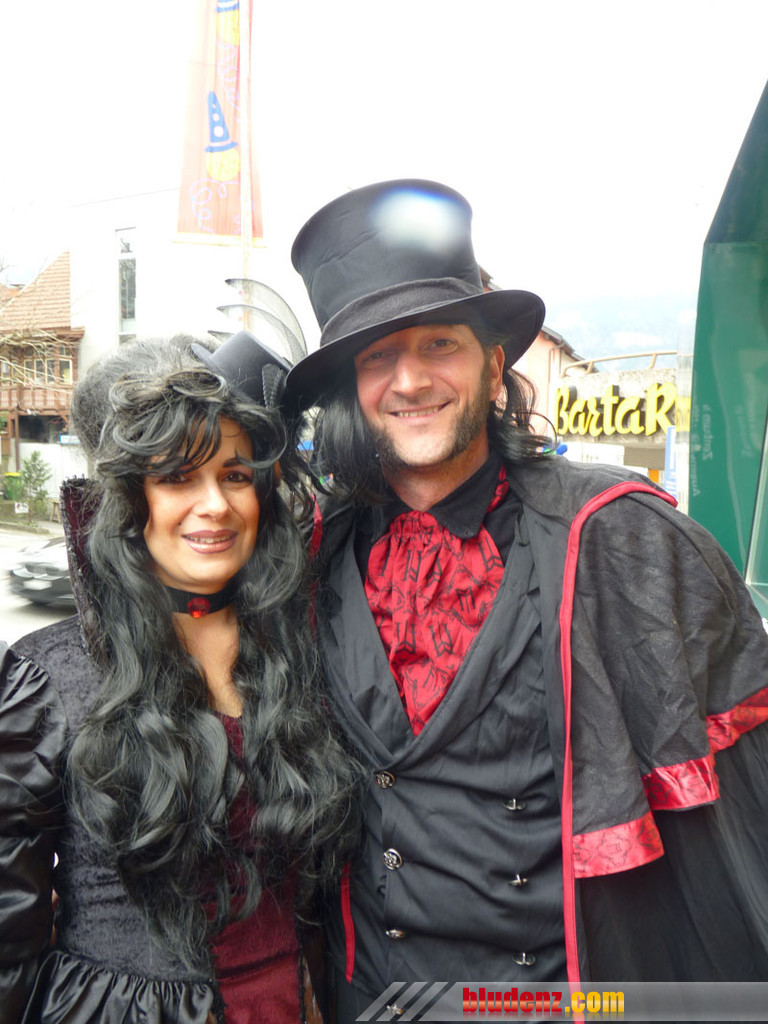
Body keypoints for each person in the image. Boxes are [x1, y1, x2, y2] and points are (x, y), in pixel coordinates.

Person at [283, 179, 768, 1019]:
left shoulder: (621, 538)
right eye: (377, 358)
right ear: (350, 390)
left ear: (493, 361)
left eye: (440, 344)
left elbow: (740, 831)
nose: (410, 379)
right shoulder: (316, 553)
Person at [0, 333, 361, 1023]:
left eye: (234, 475)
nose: (215, 505)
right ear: (127, 501)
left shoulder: (300, 648)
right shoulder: (50, 680)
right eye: (176, 478)